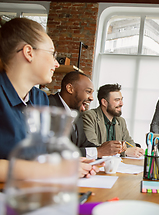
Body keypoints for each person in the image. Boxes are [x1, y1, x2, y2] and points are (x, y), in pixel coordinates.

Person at [0, 18, 96, 181]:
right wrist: (53, 170)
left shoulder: (39, 98)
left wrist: (66, 162)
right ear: (29, 53)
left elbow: (40, 154)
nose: (56, 64)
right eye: (52, 54)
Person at [48, 71, 125, 159]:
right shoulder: (48, 106)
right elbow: (53, 151)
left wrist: (106, 149)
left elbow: (84, 143)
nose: (92, 98)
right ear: (70, 88)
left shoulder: (77, 113)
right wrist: (98, 151)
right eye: (88, 91)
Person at [82, 84, 145, 158]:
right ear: (104, 102)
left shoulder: (121, 121)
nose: (121, 104)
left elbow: (130, 144)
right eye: (117, 100)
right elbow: (92, 147)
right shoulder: (89, 116)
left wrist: (136, 150)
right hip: (96, 165)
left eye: (121, 99)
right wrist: (124, 151)